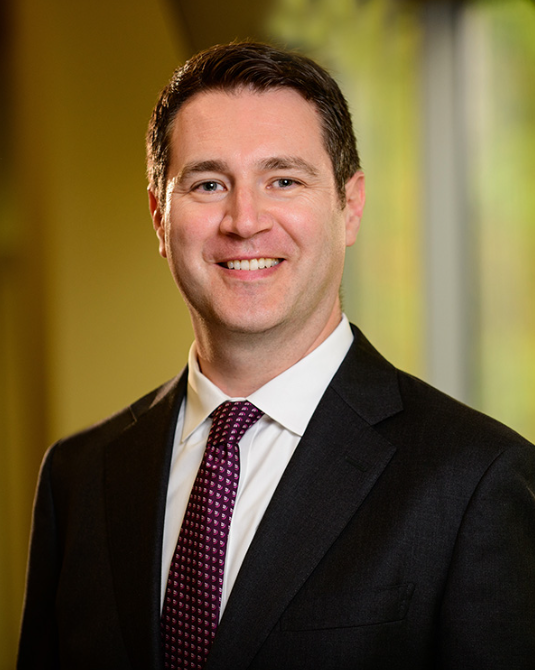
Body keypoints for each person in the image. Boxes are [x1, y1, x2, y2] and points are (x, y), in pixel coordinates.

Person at [18, 41, 535, 670]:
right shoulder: (76, 478)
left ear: (350, 206)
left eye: (283, 180)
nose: (244, 221)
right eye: (209, 184)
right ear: (159, 216)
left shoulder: (477, 481)